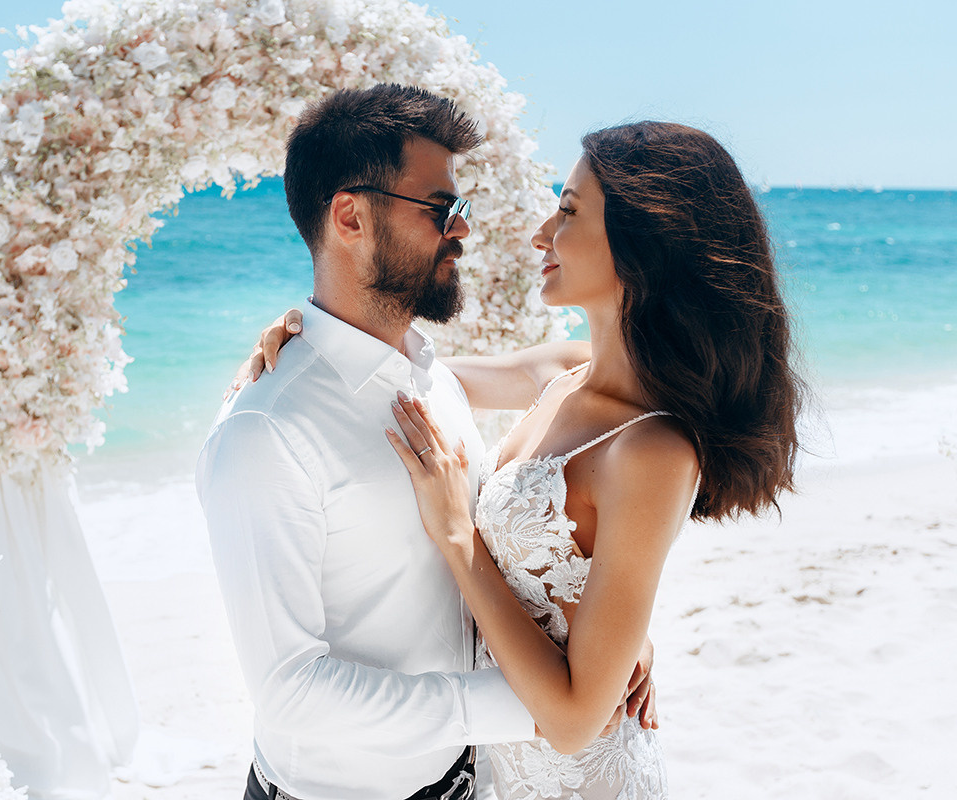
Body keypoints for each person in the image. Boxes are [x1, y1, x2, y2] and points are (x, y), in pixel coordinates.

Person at [246, 120, 803, 798]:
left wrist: (459, 539)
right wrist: (306, 333)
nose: (541, 232)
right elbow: (396, 375)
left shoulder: (654, 450)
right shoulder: (563, 371)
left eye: (568, 210)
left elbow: (572, 724)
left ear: (643, 244)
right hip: (492, 769)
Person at [196, 85, 657, 800]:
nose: (463, 230)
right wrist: (541, 707)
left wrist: (598, 643)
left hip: (469, 780)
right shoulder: (266, 431)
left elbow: (487, 550)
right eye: (441, 210)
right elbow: (289, 692)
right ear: (349, 216)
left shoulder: (430, 378)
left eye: (459, 209)